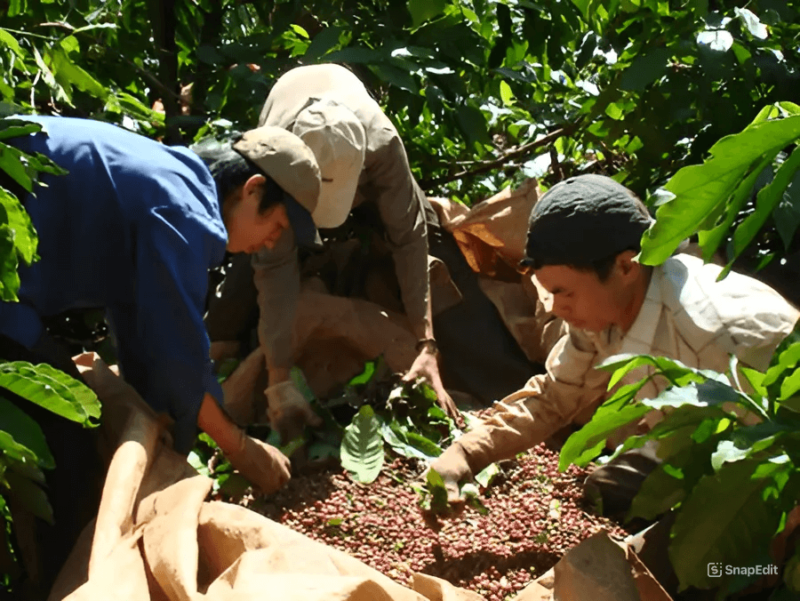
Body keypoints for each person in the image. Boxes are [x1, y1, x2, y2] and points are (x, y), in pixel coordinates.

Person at [0, 116, 314, 592]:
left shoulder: (172, 179)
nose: (271, 241)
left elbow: (142, 324)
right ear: (251, 189)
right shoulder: (183, 209)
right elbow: (177, 354)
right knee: (64, 436)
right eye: (276, 223)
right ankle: (67, 587)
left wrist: (170, 426)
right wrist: (241, 449)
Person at [428, 173, 800, 515]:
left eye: (564, 291)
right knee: (610, 489)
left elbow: (778, 448)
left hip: (769, 465)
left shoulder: (720, 335)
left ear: (625, 267)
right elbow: (556, 396)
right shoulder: (602, 313)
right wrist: (467, 452)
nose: (556, 307)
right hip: (693, 449)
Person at [205, 63, 540, 439]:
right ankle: (212, 371)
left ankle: (506, 386)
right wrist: (279, 380)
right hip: (288, 161)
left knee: (442, 264)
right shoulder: (279, 164)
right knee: (256, 256)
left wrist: (426, 344)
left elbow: (411, 241)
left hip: (370, 162)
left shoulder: (382, 146)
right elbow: (275, 269)